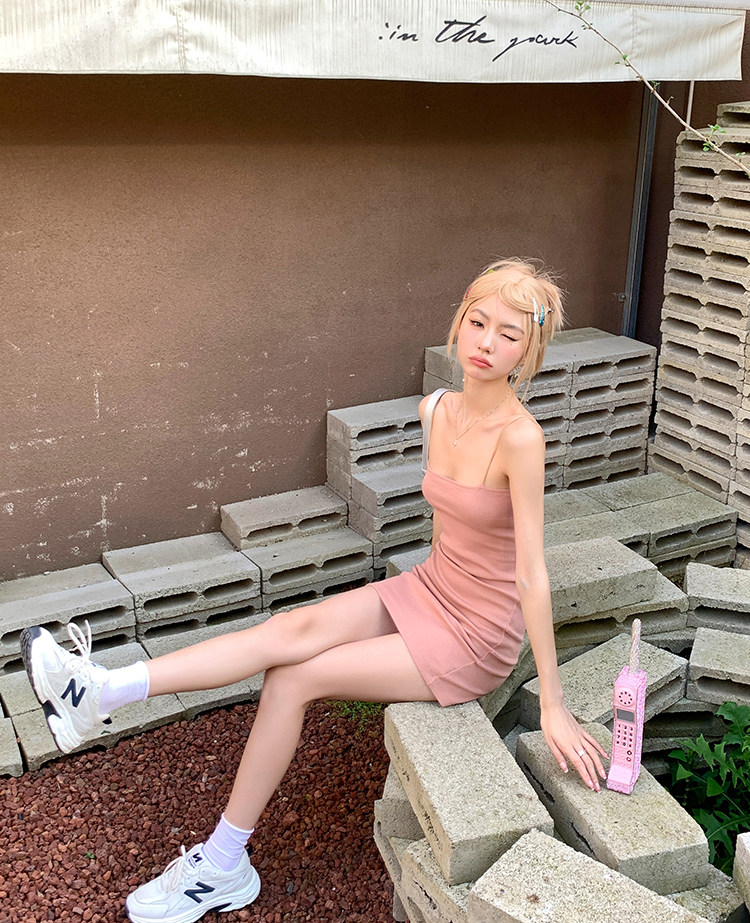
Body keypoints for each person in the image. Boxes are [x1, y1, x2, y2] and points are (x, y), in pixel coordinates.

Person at [21, 257, 608, 923]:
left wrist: (553, 702)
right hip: (430, 588)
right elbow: (451, 528)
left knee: (294, 676)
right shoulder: (437, 409)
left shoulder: (521, 439)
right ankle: (100, 692)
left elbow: (530, 571)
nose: (486, 343)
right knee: (285, 632)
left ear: (528, 352)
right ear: (459, 321)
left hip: (476, 637)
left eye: (508, 334)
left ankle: (222, 863)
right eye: (478, 322)